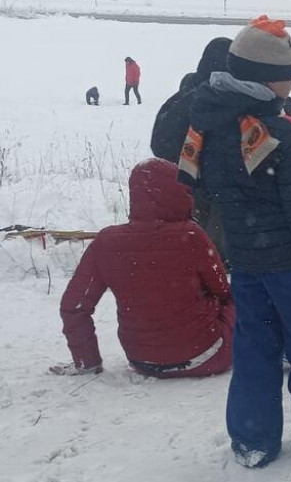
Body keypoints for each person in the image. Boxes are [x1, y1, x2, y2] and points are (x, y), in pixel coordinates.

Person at [180, 15, 291, 467]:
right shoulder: (278, 135)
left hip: (247, 262)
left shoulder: (208, 124)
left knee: (254, 350)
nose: (290, 89)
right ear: (261, 78)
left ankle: (253, 442)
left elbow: (203, 187)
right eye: (285, 80)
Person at [51, 159, 234, 380]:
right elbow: (222, 291)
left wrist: (86, 360)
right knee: (243, 296)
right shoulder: (191, 236)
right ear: (177, 193)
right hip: (207, 357)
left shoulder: (106, 242)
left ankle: (92, 364)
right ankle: (276, 350)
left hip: (142, 362)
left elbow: (74, 306)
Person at [151, 36, 233, 261]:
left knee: (192, 249)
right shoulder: (215, 98)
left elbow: (159, 143)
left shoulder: (182, 95)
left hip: (182, 183)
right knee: (212, 253)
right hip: (213, 187)